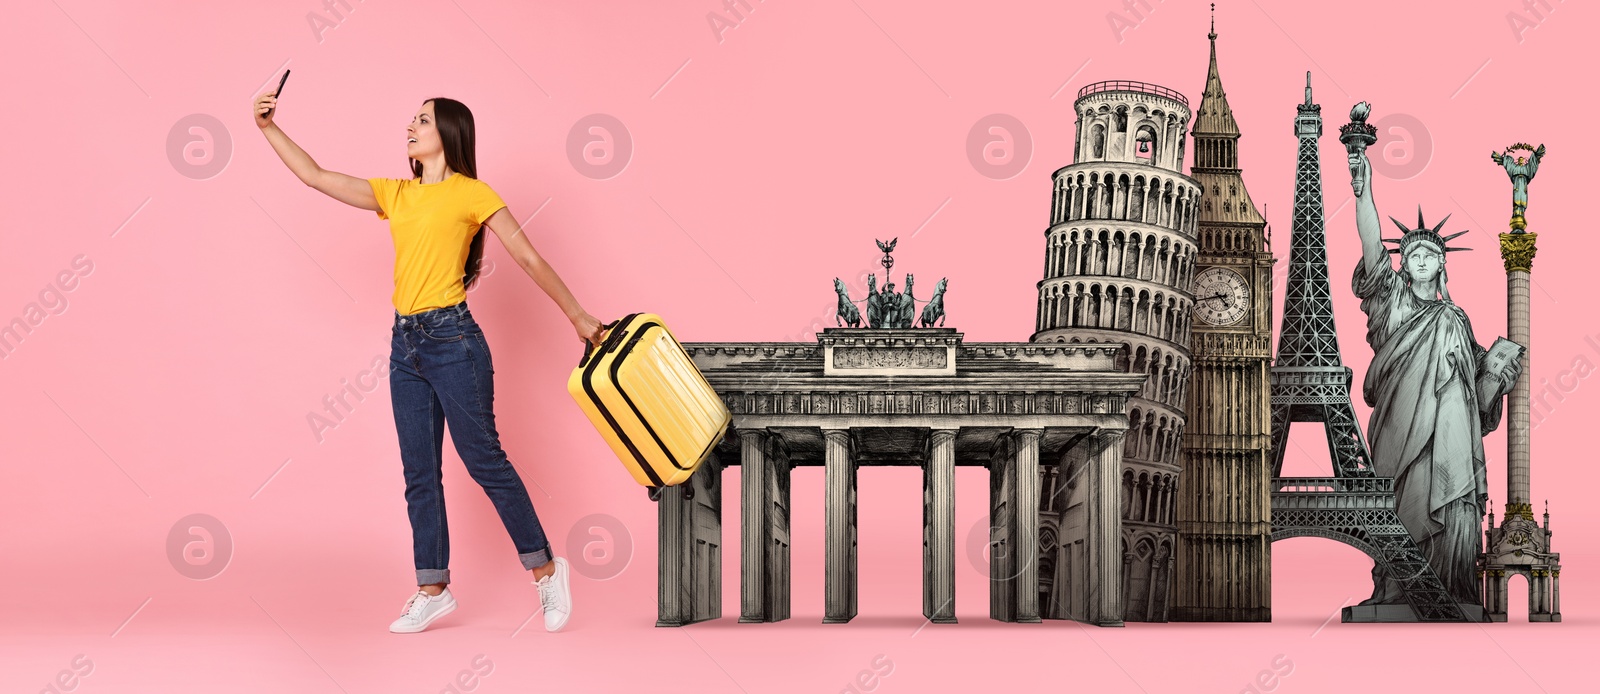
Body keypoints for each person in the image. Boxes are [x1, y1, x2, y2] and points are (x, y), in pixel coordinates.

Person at [253, 88, 605, 633]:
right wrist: (268, 128)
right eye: (411, 120)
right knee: (420, 472)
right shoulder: (397, 194)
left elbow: (530, 256)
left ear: (449, 133)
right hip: (405, 347)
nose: (410, 128)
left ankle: (546, 570)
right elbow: (316, 176)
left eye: (422, 120)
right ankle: (433, 588)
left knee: (484, 462)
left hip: (454, 342)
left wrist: (579, 318)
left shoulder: (473, 194)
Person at [1346, 149, 1521, 606]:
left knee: (1453, 502)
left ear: (1443, 263)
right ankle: (1397, 586)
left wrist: (1498, 376)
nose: (1421, 258)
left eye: (1430, 253)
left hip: (1452, 434)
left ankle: (1450, 586)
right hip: (1401, 425)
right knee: (1402, 506)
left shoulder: (1456, 319)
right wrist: (1363, 190)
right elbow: (1370, 244)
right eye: (1412, 253)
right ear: (1401, 263)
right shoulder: (1390, 301)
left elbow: (1476, 395)